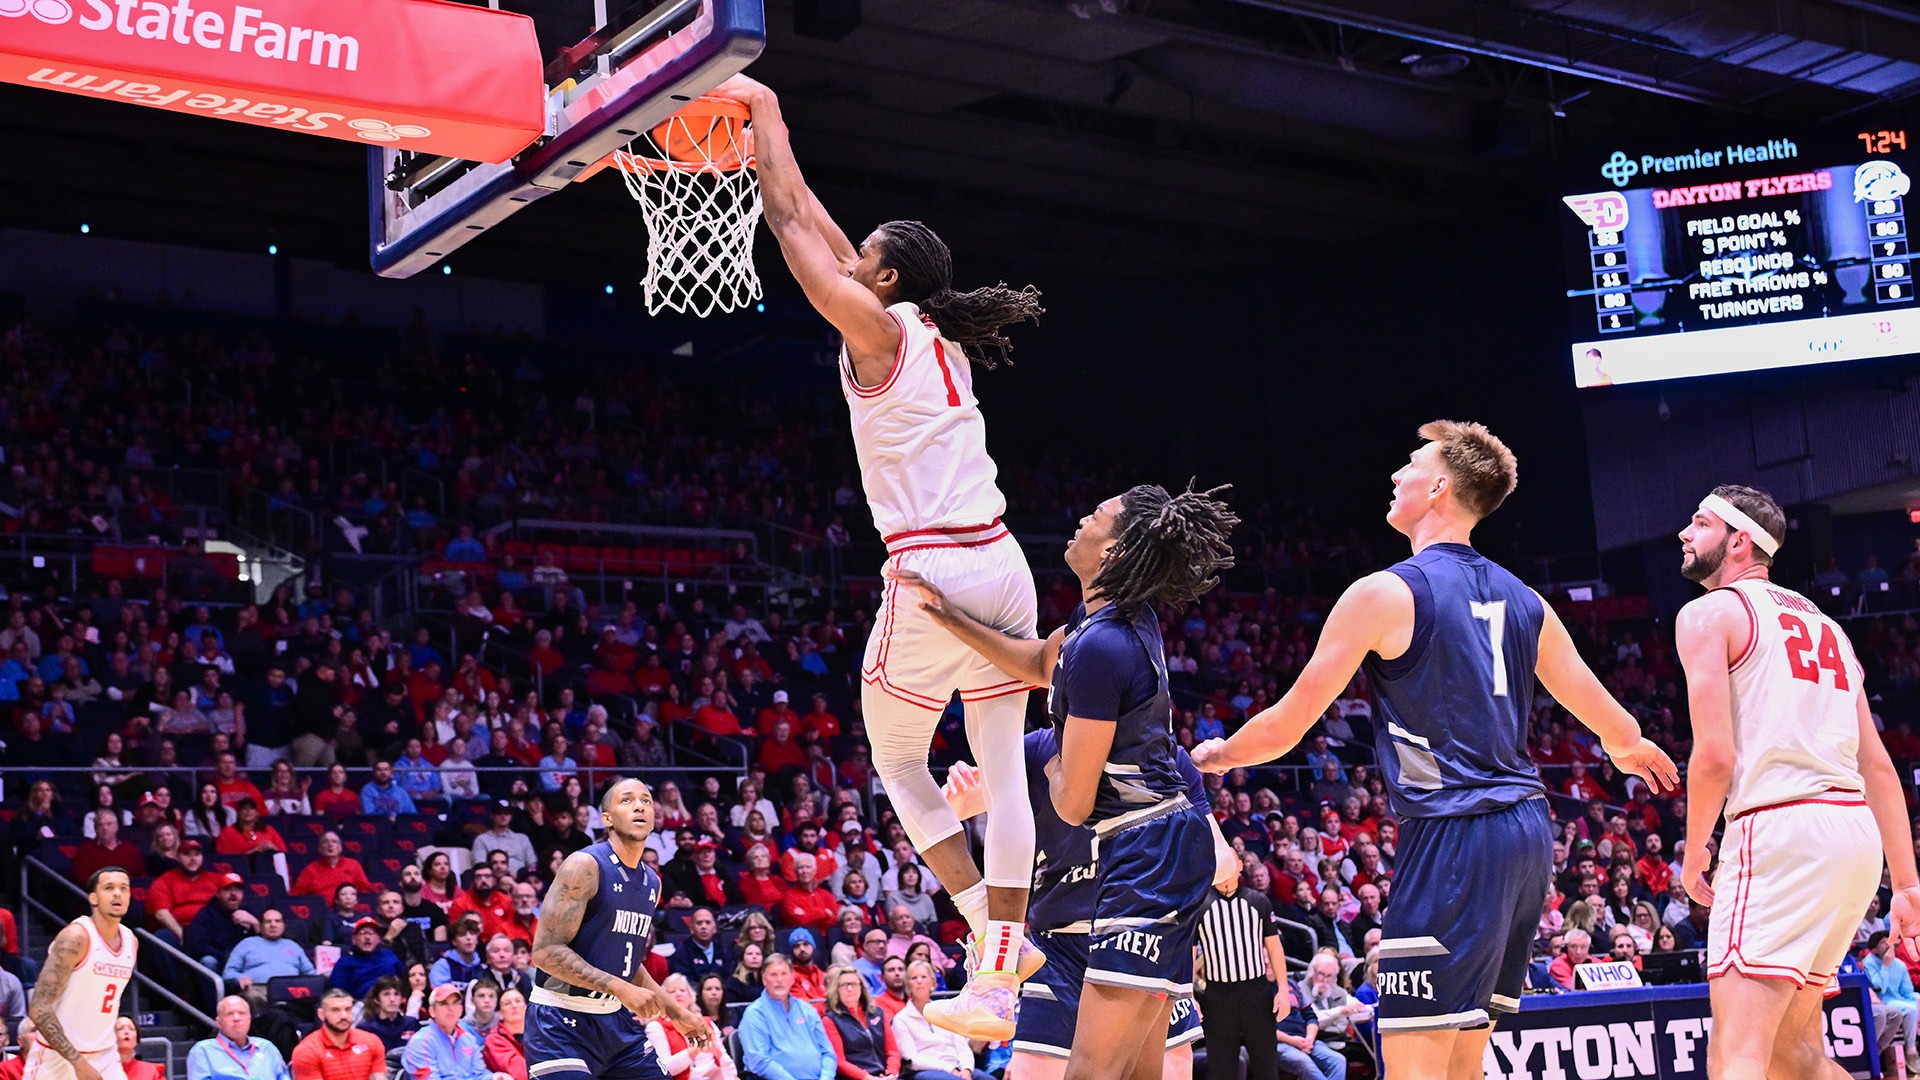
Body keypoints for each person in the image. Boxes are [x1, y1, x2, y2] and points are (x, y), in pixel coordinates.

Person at [1191, 421, 1677, 1080]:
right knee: (1461, 1063)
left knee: (1418, 1063)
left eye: (1411, 464)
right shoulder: (1527, 600)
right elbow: (1613, 727)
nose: (1396, 475)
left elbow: (1285, 726)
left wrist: (1216, 755)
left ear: (1441, 485)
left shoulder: (1385, 592)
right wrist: (1634, 748)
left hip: (1455, 835)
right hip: (1528, 834)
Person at [714, 74, 1047, 1033]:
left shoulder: (877, 326)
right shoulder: (933, 329)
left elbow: (789, 227)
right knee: (1000, 768)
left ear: (887, 280)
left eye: (863, 257)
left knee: (900, 762)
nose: (848, 258)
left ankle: (987, 924)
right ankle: (995, 967)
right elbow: (816, 214)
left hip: (935, 569)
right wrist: (776, 151)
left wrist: (765, 111)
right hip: (1002, 560)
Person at [897, 483, 1235, 1071]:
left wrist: (1048, 764)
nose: (1082, 517)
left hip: (1149, 848)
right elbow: (1035, 662)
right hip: (1154, 845)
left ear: (1113, 554)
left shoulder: (1102, 646)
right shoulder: (1103, 622)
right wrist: (947, 616)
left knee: (1090, 1071)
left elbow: (1074, 804)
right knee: (1136, 1072)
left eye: (1098, 515)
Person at [1674, 485, 1920, 1080]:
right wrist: (1907, 884)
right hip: (1852, 839)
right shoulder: (1830, 628)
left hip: (1778, 830)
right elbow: (1880, 767)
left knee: (1736, 1052)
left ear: (1739, 541)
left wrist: (1695, 848)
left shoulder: (1710, 612)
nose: (1684, 533)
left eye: (1699, 523)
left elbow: (1713, 755)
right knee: (1793, 1055)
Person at [527, 778, 708, 1080]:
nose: (639, 805)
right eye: (627, 800)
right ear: (606, 819)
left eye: (646, 800)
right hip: (560, 1021)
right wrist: (620, 987)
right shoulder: (584, 865)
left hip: (614, 1020)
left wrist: (678, 1014)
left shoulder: (652, 882)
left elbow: (626, 963)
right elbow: (545, 952)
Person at [25, 869, 140, 1080]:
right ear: (93, 897)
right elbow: (39, 1008)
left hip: (105, 1054)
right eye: (109, 888)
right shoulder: (75, 937)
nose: (117, 894)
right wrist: (78, 1063)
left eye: (123, 888)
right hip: (57, 1057)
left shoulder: (131, 941)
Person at [1194, 865, 1292, 1080]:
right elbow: (1188, 955)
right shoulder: (1200, 905)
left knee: (1266, 1063)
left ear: (1239, 866)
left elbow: (1274, 948)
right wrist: (1189, 996)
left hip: (1256, 992)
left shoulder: (1258, 901)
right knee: (1221, 1068)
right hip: (1217, 996)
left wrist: (1283, 990)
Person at [737, 953, 835, 1080]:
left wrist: (826, 1078)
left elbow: (828, 1053)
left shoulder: (807, 1010)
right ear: (764, 980)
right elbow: (758, 1061)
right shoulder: (755, 1014)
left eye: (784, 974)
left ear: (792, 978)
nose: (779, 980)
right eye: (773, 975)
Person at [890, 962, 989, 1080]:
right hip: (925, 1071)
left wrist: (966, 1069)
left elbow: (962, 1047)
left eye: (923, 977)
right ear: (908, 985)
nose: (919, 981)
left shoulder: (945, 1012)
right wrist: (949, 1069)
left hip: (956, 1067)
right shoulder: (901, 1019)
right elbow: (912, 1059)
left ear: (932, 982)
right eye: (914, 978)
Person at [402, 985, 511, 1080]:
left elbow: (480, 1074)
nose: (451, 1008)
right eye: (444, 1003)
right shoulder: (421, 1042)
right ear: (432, 1011)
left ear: (461, 1010)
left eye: (456, 1003)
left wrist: (494, 1077)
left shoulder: (468, 1039)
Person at [643, 974, 737, 1080]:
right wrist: (694, 1050)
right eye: (672, 991)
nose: (678, 994)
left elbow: (724, 1059)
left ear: (691, 996)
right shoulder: (656, 1027)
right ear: (663, 998)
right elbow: (664, 1069)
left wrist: (733, 1076)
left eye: (682, 990)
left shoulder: (705, 1022)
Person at [223, 909, 316, 1008]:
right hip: (259, 990)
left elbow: (311, 974)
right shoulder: (246, 944)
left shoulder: (293, 946)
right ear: (261, 926)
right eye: (268, 921)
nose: (273, 925)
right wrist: (239, 978)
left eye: (277, 921)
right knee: (250, 996)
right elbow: (228, 973)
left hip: (292, 991)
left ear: (284, 926)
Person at [822, 966, 900, 1080]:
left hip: (885, 1075)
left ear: (861, 987)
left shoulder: (878, 1013)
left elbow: (893, 1051)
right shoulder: (830, 1020)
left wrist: (891, 1073)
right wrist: (868, 1078)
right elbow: (840, 1062)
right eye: (843, 985)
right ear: (836, 990)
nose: (849, 988)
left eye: (853, 984)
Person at [289, 989, 385, 1080]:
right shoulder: (306, 1050)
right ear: (321, 1014)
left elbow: (378, 1076)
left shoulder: (371, 1041)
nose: (343, 1015)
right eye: (335, 1010)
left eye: (347, 1009)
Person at [186, 998, 290, 1080]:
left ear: (249, 1019)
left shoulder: (267, 1047)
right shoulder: (202, 1051)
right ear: (219, 1022)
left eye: (242, 1013)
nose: (237, 1018)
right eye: (230, 1014)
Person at [1274, 977, 1346, 1080]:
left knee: (1338, 1060)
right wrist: (1293, 1041)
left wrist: (1309, 1039)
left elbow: (1310, 1016)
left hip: (1305, 1040)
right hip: (1277, 1043)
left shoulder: (1292, 984)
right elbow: (1261, 1028)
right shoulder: (1259, 989)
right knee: (1303, 1061)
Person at [330, 919, 405, 999]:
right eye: (363, 933)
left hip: (391, 1001)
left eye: (371, 933)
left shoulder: (389, 955)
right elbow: (338, 994)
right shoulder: (344, 962)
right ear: (354, 940)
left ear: (378, 939)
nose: (367, 937)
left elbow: (405, 980)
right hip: (361, 1006)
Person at [355, 975, 421, 1051]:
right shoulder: (366, 1029)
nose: (392, 999)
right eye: (386, 994)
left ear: (402, 999)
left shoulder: (411, 1024)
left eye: (396, 994)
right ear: (377, 1000)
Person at [480, 987, 526, 1080]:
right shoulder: (494, 1040)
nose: (514, 1005)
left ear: (526, 1006)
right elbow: (521, 1074)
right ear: (500, 1013)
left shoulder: (538, 1034)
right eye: (507, 1003)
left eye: (518, 1001)